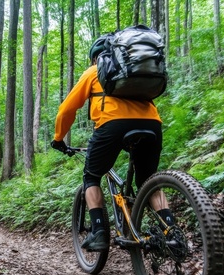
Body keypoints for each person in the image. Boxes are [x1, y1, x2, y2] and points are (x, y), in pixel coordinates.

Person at [51, 36, 174, 251]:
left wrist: (59, 138)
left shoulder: (94, 71)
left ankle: (99, 233)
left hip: (112, 125)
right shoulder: (134, 72)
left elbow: (66, 110)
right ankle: (172, 232)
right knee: (148, 180)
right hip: (152, 124)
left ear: (94, 57)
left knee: (91, 176)